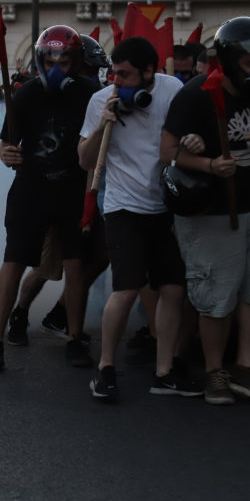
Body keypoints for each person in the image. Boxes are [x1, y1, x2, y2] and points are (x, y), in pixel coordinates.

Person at [162, 17, 250, 406]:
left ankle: (246, 366)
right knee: (216, 296)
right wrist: (207, 165)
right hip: (211, 214)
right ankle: (214, 370)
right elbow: (167, 151)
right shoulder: (195, 95)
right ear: (230, 57)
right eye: (249, 57)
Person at [79, 36, 199, 400]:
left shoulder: (172, 89)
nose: (118, 81)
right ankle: (105, 368)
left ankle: (164, 373)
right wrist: (103, 124)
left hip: (162, 206)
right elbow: (84, 160)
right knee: (126, 288)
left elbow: (183, 134)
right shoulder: (102, 99)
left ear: (150, 71)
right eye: (114, 73)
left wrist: (192, 140)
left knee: (174, 289)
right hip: (122, 207)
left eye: (126, 75)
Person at [0, 25, 97, 372]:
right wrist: (6, 154)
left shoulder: (90, 95)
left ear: (75, 62)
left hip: (72, 192)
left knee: (76, 265)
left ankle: (75, 338)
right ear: (40, 60)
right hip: (30, 192)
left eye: (64, 60)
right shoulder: (26, 95)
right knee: (14, 262)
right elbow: (6, 143)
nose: (57, 68)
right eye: (51, 60)